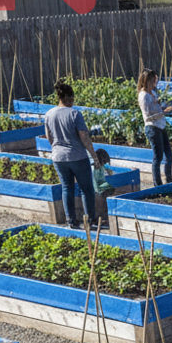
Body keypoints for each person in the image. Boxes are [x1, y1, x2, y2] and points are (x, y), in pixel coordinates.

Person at [44, 78, 98, 230]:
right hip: (77, 156)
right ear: (67, 97)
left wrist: (57, 148)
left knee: (67, 188)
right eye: (72, 98)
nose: (73, 101)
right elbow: (84, 136)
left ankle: (71, 221)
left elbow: (49, 136)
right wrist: (93, 155)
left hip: (58, 157)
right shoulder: (75, 114)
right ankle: (90, 221)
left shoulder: (49, 114)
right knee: (86, 189)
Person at [136, 68, 172, 187]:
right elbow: (148, 116)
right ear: (146, 81)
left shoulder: (153, 93)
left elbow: (157, 108)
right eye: (153, 80)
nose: (155, 83)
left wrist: (164, 107)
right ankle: (158, 184)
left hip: (160, 125)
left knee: (169, 155)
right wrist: (163, 112)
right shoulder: (143, 96)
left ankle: (169, 180)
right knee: (158, 156)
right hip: (152, 127)